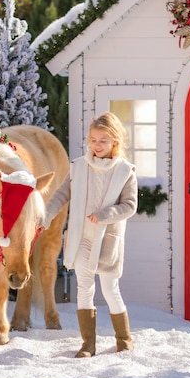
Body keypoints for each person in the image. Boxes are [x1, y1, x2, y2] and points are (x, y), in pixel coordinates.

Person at [43, 112, 138, 358]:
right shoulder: (78, 167)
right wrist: (46, 215)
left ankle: (123, 339)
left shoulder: (125, 171)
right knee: (84, 287)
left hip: (107, 240)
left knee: (109, 288)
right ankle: (88, 344)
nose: (97, 145)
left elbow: (130, 206)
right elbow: (61, 195)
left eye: (103, 141)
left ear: (115, 142)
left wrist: (106, 214)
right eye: (93, 139)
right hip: (82, 237)